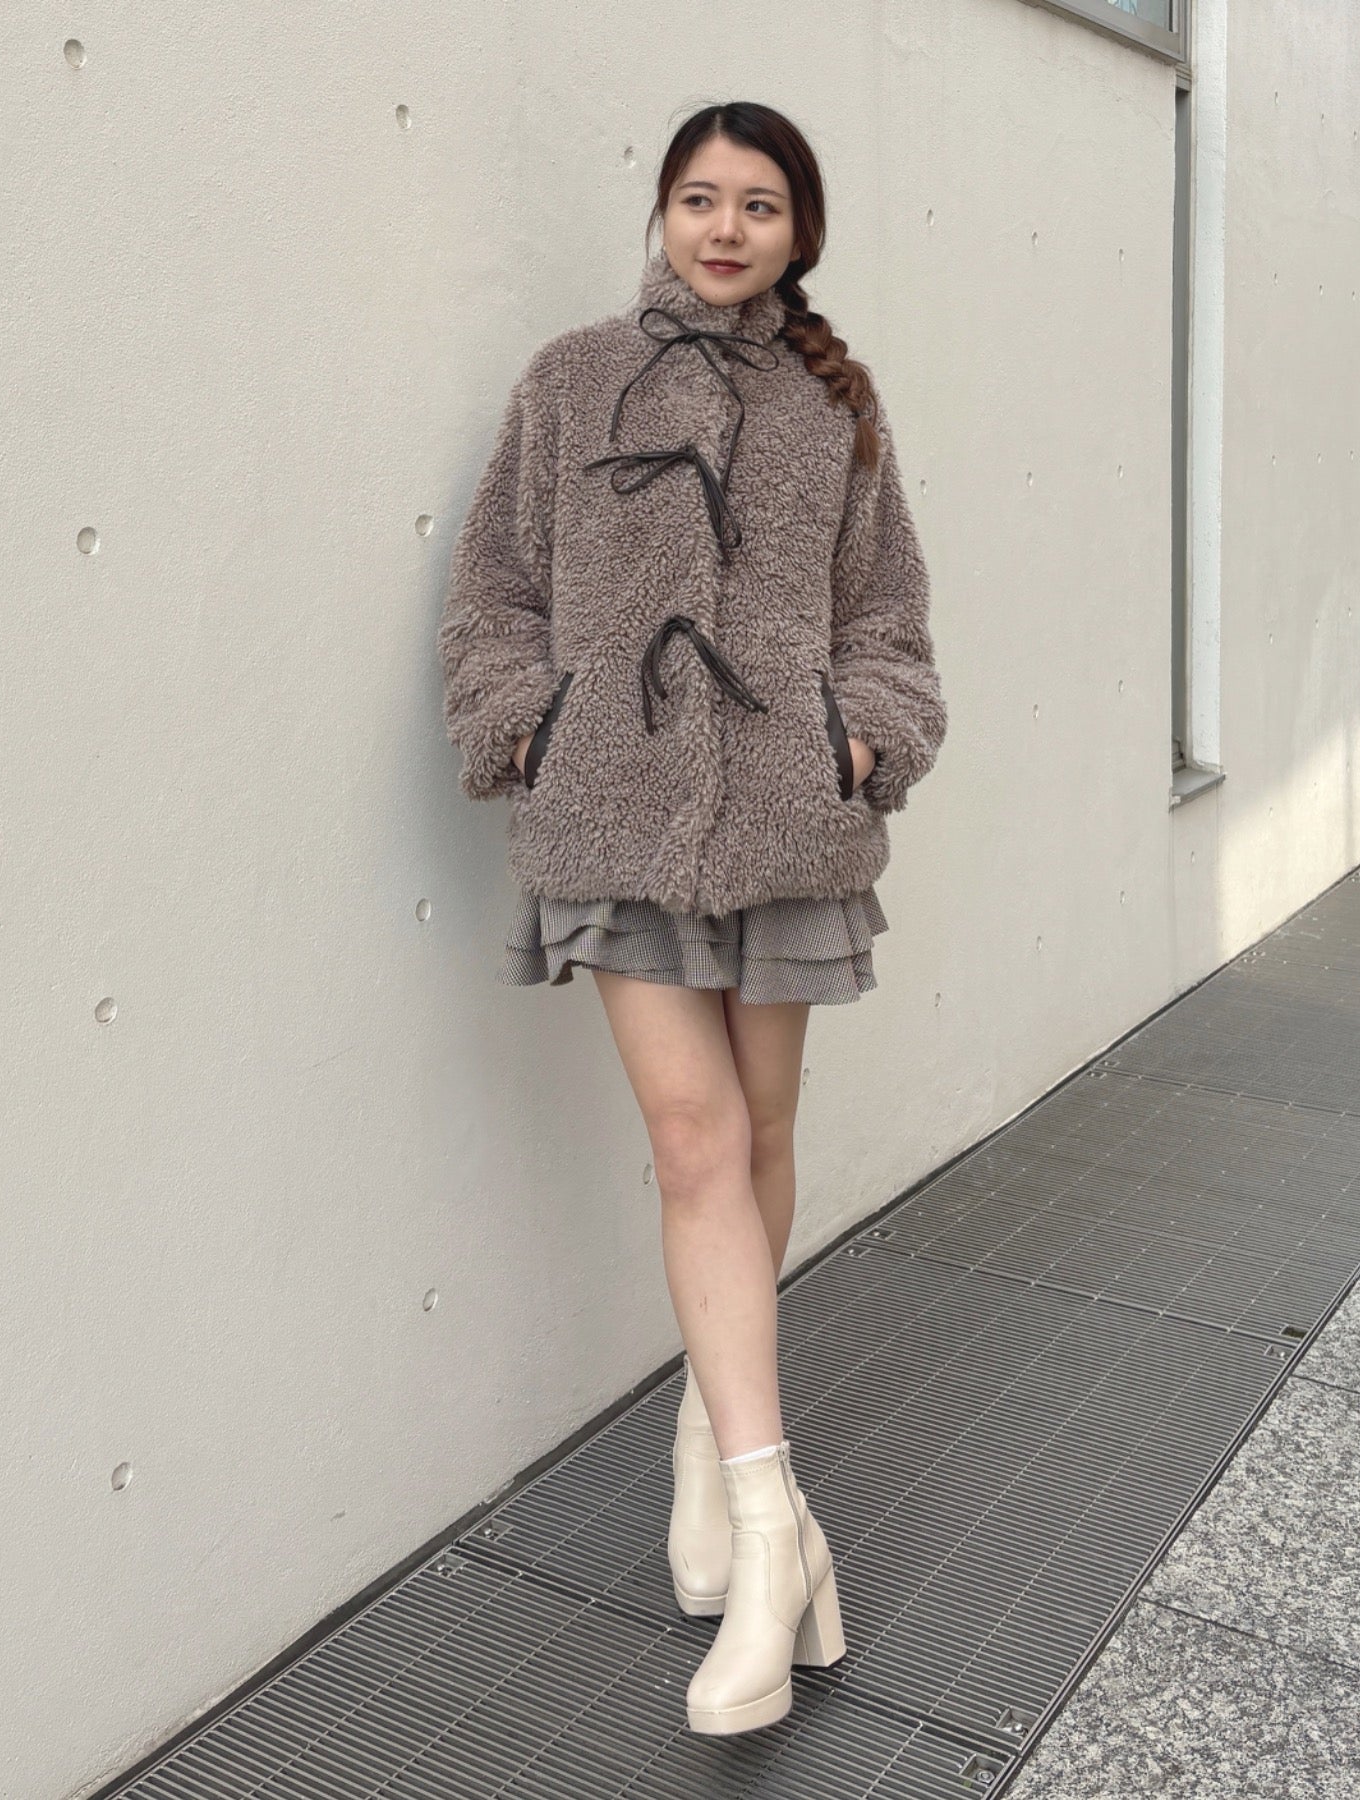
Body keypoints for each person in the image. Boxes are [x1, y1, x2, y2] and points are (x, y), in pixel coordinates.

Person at [437, 100, 948, 1736]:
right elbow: (493, 592)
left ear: (803, 231)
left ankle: (709, 1445)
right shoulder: (570, 380)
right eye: (699, 198)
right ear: (661, 213)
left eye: (760, 204)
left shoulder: (835, 408)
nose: (726, 229)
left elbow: (890, 621)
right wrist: (528, 725)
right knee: (692, 1139)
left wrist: (859, 739)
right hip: (615, 816)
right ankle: (775, 1531)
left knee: (761, 1136)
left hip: (788, 819)